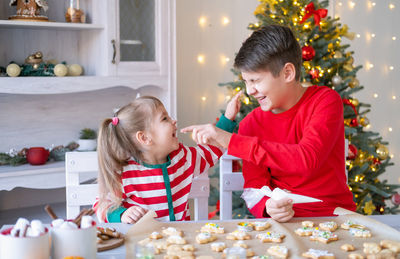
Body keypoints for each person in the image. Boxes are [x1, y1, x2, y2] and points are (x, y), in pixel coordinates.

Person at [181, 25, 356, 222]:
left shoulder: (325, 101)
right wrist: (267, 206)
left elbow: (307, 159)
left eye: (255, 80)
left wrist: (231, 141)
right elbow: (255, 187)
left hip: (336, 217)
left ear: (287, 73)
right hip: (285, 223)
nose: (249, 91)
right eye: (246, 82)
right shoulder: (250, 124)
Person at [94, 95, 238, 223]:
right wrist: (122, 214)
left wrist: (228, 118)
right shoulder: (126, 174)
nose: (174, 121)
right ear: (144, 138)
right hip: (144, 247)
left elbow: (210, 152)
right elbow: (101, 206)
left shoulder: (183, 158)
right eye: (165, 119)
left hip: (179, 243)